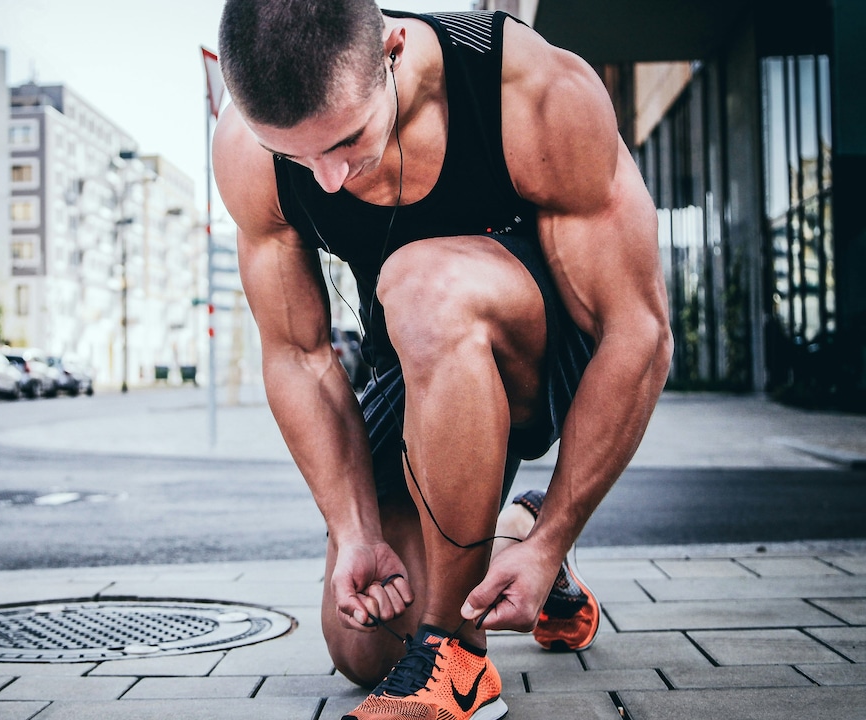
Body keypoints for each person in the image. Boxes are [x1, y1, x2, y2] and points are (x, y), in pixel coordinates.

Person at [212, 2, 673, 719]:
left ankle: (457, 662)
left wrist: (559, 532)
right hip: (417, 364)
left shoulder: (529, 90)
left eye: (347, 139)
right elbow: (298, 356)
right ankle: (509, 532)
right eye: (297, 157)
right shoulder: (247, 150)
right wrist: (354, 530)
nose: (327, 179)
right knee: (365, 646)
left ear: (392, 51)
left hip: (544, 353)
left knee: (422, 284)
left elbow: (638, 332)